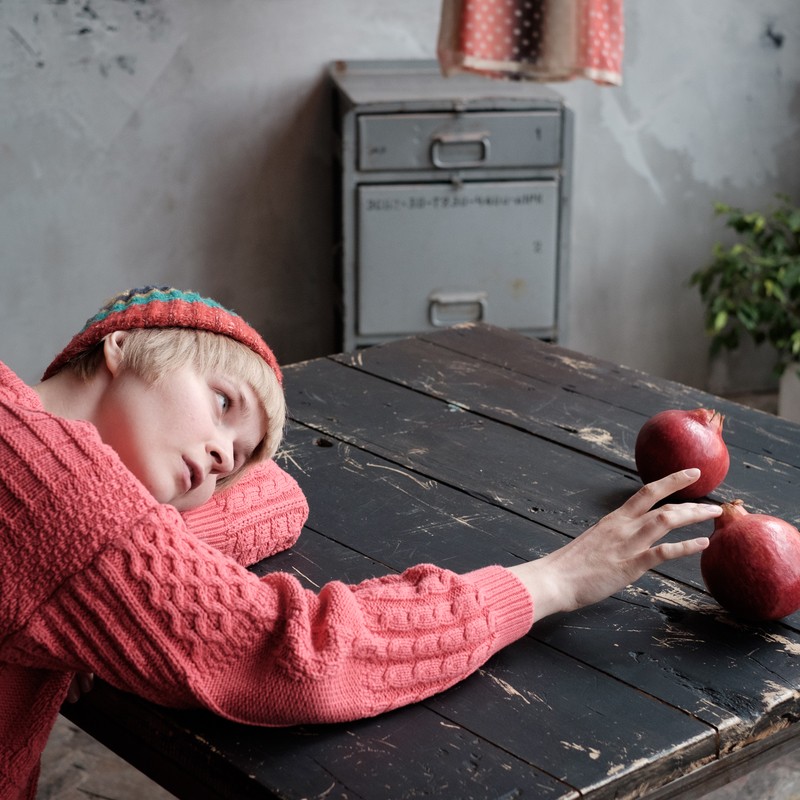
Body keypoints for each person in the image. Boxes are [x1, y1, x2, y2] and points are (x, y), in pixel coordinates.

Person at [0, 286, 721, 798]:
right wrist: (554, 581)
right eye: (222, 402)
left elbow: (278, 497)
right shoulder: (59, 490)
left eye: (238, 451)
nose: (222, 458)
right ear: (120, 347)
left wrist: (119, 572)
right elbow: (300, 657)